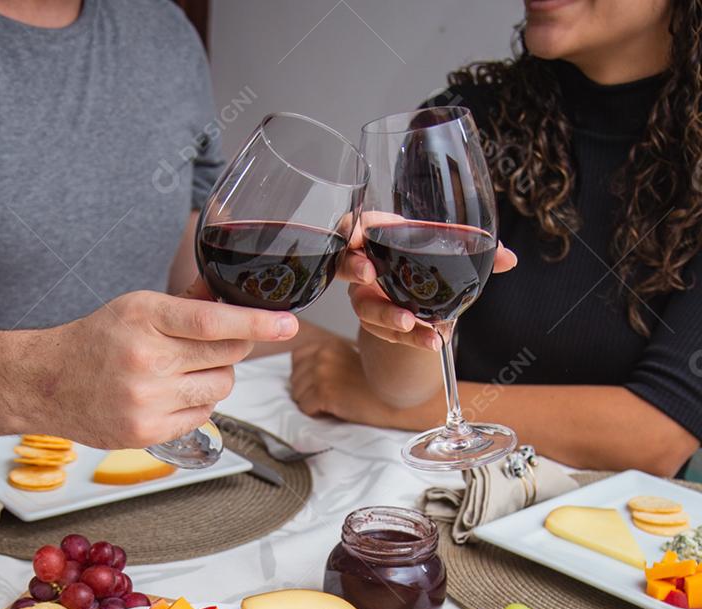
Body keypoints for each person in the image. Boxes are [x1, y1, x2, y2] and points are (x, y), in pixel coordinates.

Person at [292, 0, 702, 477]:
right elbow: (401, 386)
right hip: (449, 495)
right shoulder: (464, 126)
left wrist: (379, 403)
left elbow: (656, 437)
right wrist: (399, 325)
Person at [0, 0, 309, 449]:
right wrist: (42, 382)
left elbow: (191, 276)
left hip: (134, 474)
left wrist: (329, 333)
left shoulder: (162, 29)